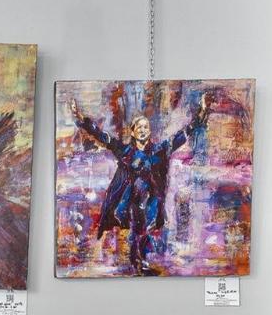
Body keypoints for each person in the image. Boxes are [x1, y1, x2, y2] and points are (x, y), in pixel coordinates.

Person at [68, 94, 209, 273]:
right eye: (139, 127)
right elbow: (103, 137)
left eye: (145, 127)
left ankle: (141, 260)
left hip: (153, 201)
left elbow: (182, 135)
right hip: (131, 202)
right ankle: (137, 262)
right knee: (137, 229)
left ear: (149, 131)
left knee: (147, 229)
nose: (142, 130)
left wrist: (201, 114)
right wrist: (81, 119)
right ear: (133, 132)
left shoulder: (160, 150)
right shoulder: (125, 151)